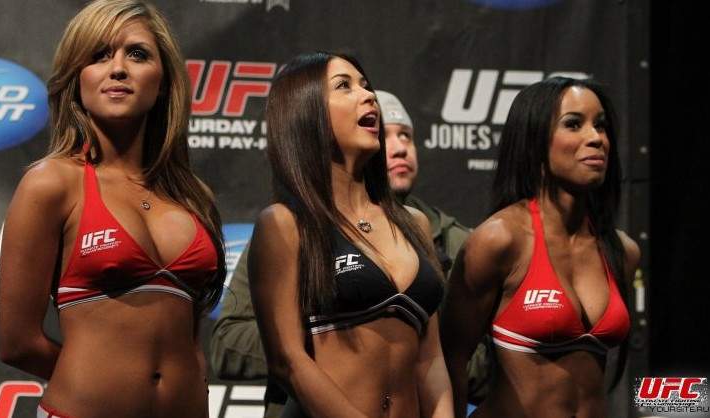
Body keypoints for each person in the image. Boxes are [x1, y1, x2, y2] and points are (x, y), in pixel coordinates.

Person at [0, 1, 226, 417]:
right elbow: (17, 342)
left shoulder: (193, 198)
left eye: (137, 54)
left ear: (163, 81)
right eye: (99, 55)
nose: (118, 68)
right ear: (76, 79)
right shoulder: (52, 183)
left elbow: (191, 339)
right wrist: (101, 381)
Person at [210, 90, 490, 416]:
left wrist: (405, 342)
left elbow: (469, 360)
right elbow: (227, 343)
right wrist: (314, 338)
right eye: (386, 134)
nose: (399, 147)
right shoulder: (291, 227)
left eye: (406, 136)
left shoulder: (447, 237)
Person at [247, 51, 453, 418]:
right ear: (306, 111)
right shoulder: (285, 225)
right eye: (344, 86)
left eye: (366, 85)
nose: (368, 95)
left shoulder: (415, 224)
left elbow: (431, 358)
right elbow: (288, 360)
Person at [440, 77, 640, 418]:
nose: (596, 138)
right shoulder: (500, 240)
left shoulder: (622, 252)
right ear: (534, 140)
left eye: (601, 125)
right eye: (573, 124)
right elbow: (449, 360)